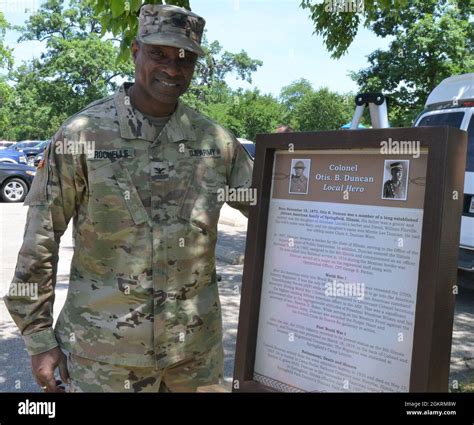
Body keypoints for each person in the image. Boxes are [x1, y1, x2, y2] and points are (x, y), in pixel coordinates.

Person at [4, 4, 253, 393]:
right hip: (105, 359)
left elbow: (274, 212)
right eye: (159, 54)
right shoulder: (82, 136)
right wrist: (39, 339)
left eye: (185, 59)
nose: (173, 68)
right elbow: (40, 239)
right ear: (136, 51)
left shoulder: (215, 143)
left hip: (194, 358)